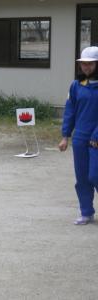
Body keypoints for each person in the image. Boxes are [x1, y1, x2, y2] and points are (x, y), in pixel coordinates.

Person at [59, 46, 98, 225]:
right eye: (84, 64)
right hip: (81, 138)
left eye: (90, 64)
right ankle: (86, 212)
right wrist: (65, 136)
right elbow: (70, 111)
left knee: (94, 175)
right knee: (82, 177)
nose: (86, 67)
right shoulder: (76, 85)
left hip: (96, 138)